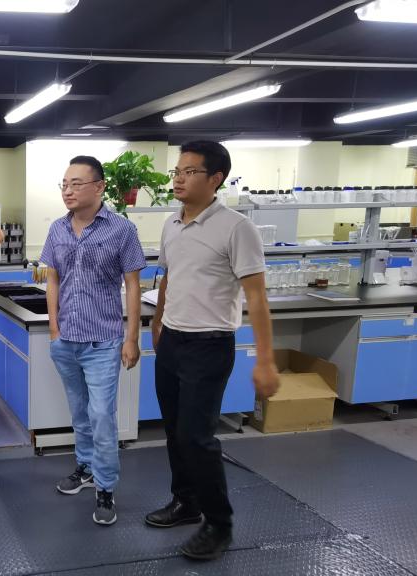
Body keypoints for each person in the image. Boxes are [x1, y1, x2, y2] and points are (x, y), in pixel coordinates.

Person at [146, 141, 279, 561]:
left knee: (196, 437)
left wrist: (266, 360)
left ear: (215, 179)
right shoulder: (172, 223)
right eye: (177, 171)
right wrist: (157, 320)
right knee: (174, 429)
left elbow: (256, 297)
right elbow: (169, 276)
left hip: (209, 345)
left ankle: (219, 524)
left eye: (189, 172)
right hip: (172, 340)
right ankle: (185, 502)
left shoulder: (237, 228)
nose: (178, 179)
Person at [41, 155, 146, 526]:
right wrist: (54, 330)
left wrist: (131, 338)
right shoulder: (57, 229)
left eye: (76, 184)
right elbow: (52, 279)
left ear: (99, 187)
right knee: (80, 412)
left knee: (102, 415)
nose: (68, 191)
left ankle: (105, 486)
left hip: (103, 340)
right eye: (64, 184)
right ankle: (85, 467)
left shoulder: (121, 230)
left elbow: (133, 285)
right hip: (66, 340)